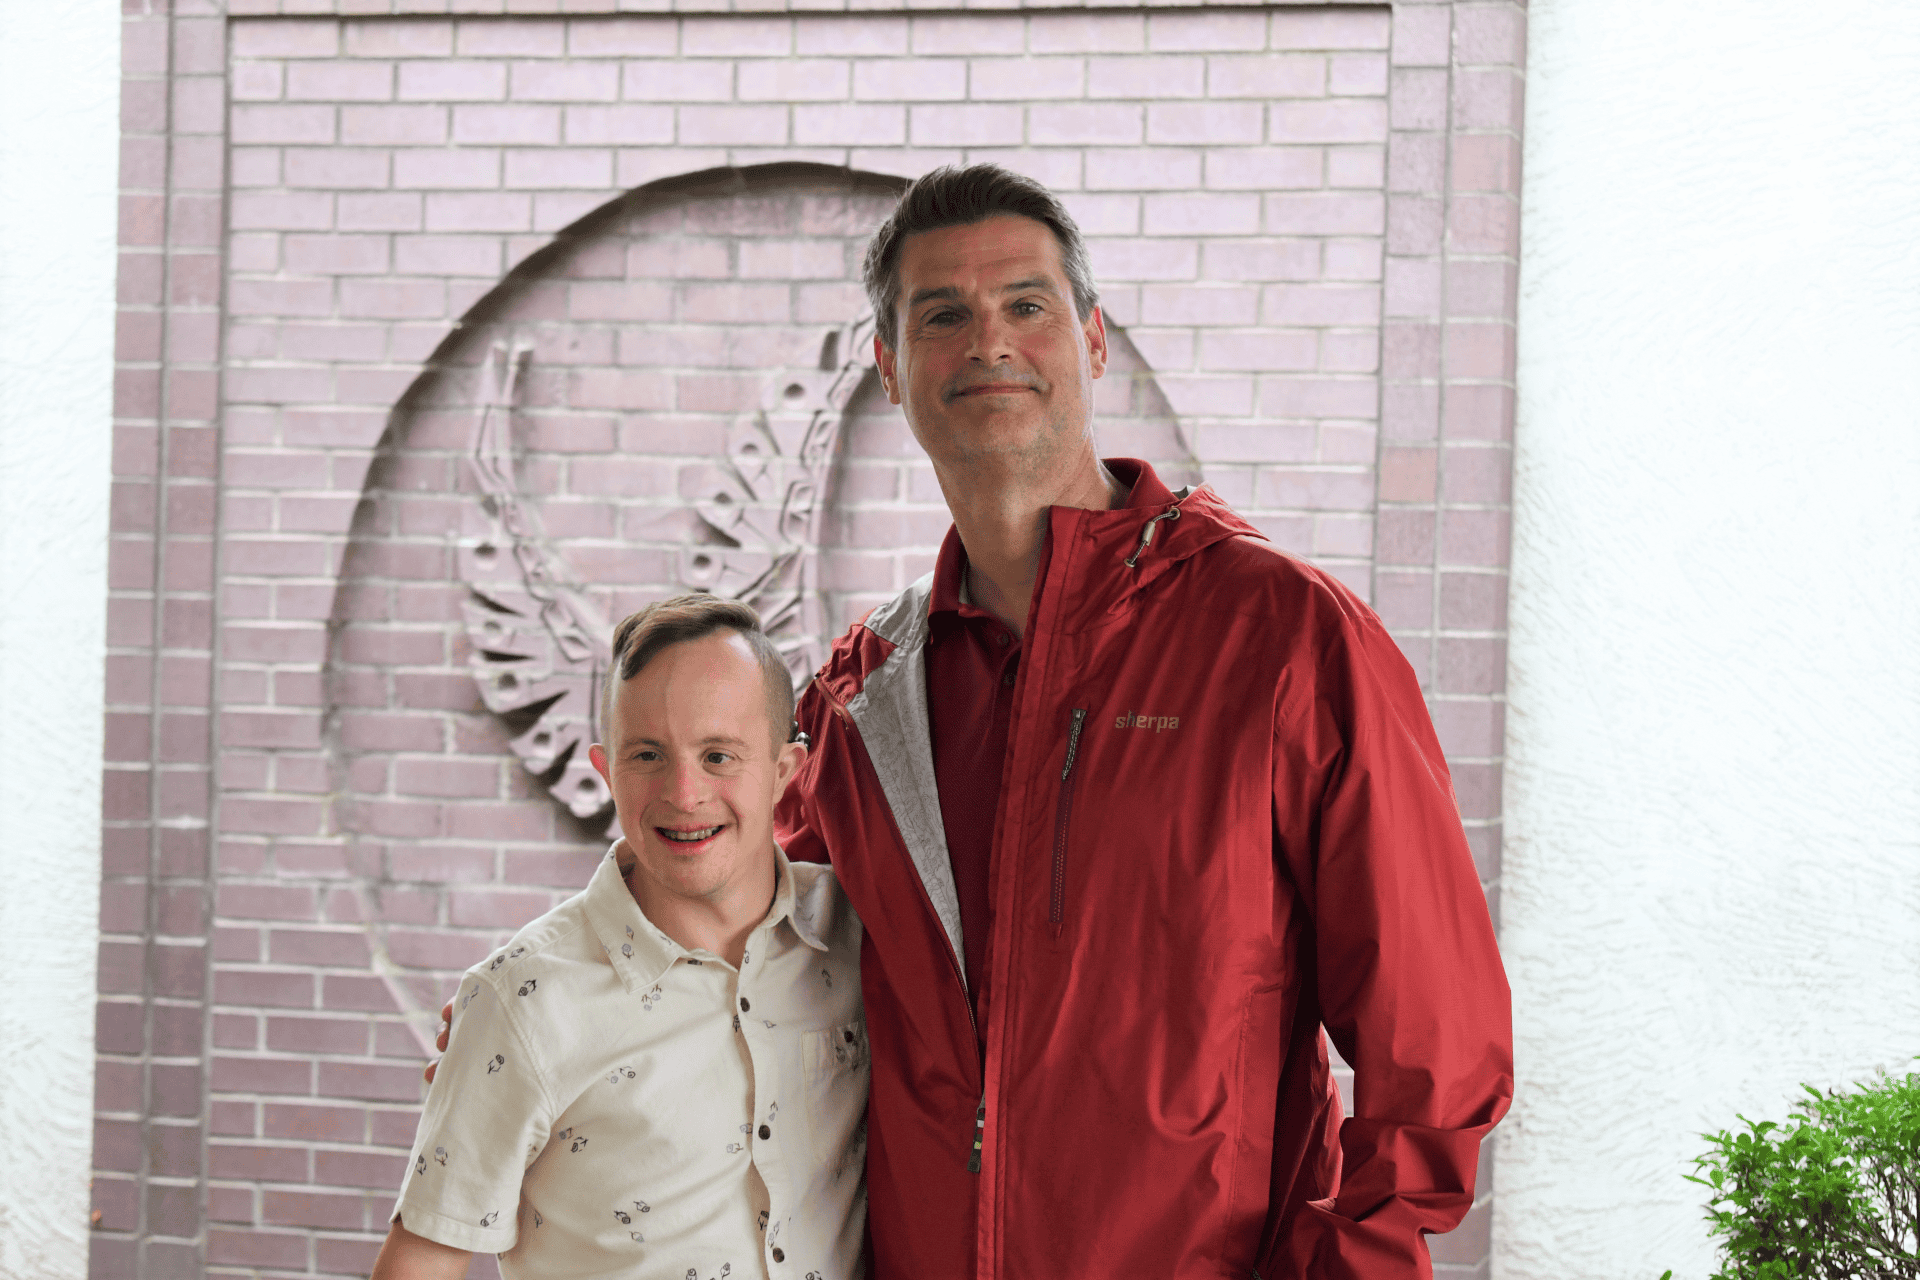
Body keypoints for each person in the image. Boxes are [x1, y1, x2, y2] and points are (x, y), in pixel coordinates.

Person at [766, 164, 1514, 1278]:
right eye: (942, 315)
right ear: (889, 369)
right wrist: (556, 1013)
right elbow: (748, 958)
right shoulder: (862, 694)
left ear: (1093, 341)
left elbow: (1437, 1050)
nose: (990, 341)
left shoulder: (1284, 639)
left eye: (1027, 304)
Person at [377, 596, 867, 1280]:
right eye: (648, 755)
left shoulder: (860, 942)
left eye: (719, 755)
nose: (684, 792)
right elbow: (421, 1262)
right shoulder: (522, 999)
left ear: (785, 772)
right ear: (607, 771)